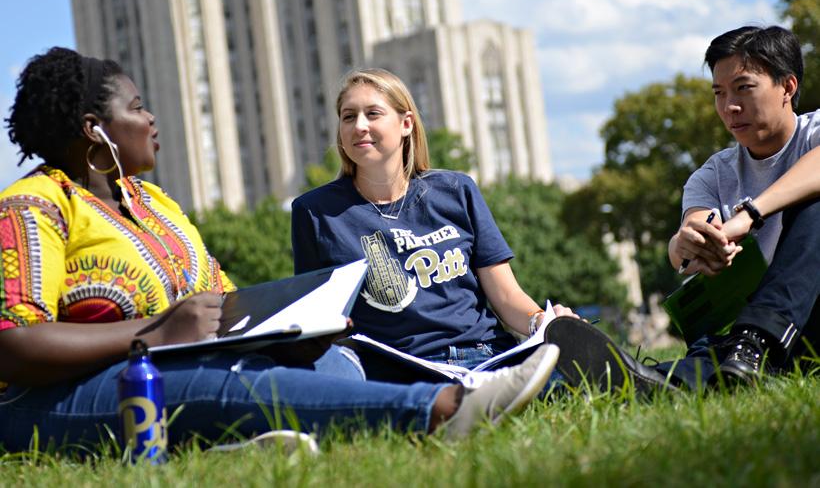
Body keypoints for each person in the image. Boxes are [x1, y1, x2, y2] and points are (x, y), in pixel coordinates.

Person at [0, 47, 559, 454]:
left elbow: (223, 302)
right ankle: (443, 412)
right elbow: (13, 345)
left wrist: (286, 319)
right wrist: (152, 334)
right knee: (216, 384)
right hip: (63, 397)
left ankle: (240, 446)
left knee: (328, 363)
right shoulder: (32, 205)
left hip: (185, 363)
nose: (151, 119)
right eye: (138, 106)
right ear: (96, 129)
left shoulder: (153, 206)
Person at [291, 67, 581, 377]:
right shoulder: (315, 212)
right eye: (348, 117)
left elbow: (506, 296)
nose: (359, 125)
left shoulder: (456, 190)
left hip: (487, 355)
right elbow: (319, 321)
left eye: (373, 114)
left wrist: (544, 321)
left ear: (406, 124)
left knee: (572, 364)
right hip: (398, 369)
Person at [664, 25, 819, 386]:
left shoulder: (814, 133)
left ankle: (758, 341)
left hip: (800, 321)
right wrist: (687, 245)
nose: (730, 107)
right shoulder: (712, 175)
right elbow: (692, 230)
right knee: (700, 366)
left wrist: (750, 215)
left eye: (744, 88)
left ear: (788, 87)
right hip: (748, 342)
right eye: (719, 93)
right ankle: (617, 380)